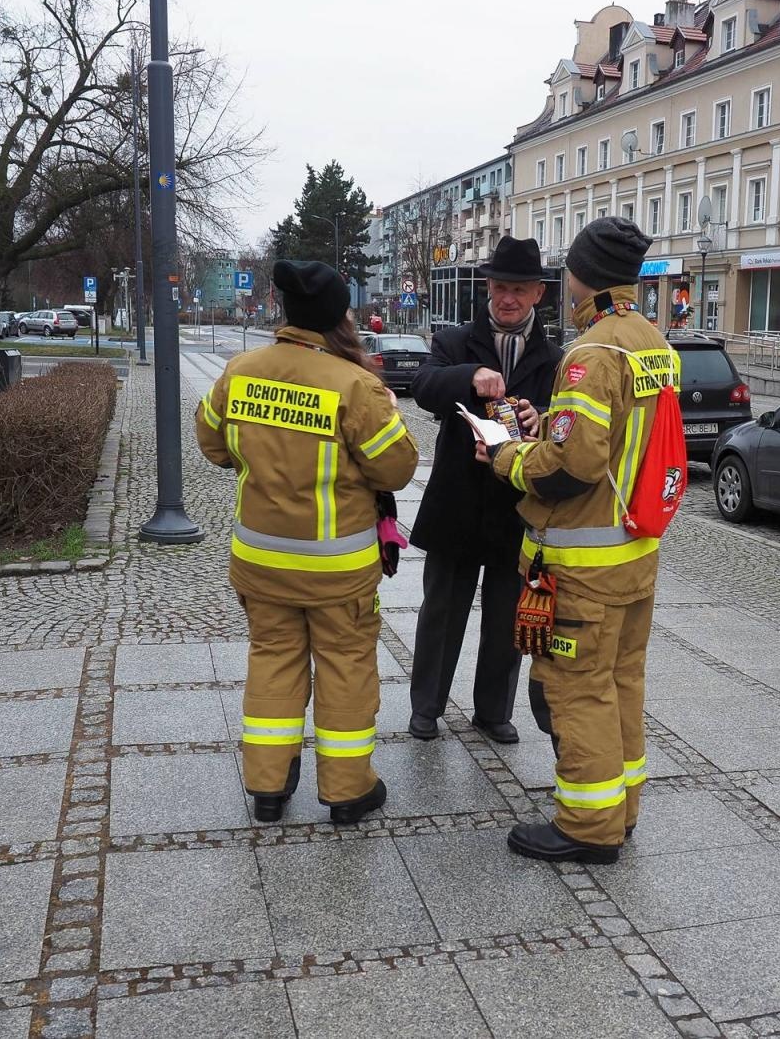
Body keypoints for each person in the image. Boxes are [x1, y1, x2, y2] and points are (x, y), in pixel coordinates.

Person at [194, 259, 419, 825]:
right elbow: (395, 470)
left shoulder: (238, 372)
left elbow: (212, 443)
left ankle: (267, 787)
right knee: (345, 665)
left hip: (260, 559)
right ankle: (347, 789)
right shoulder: (355, 386)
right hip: (337, 568)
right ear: (337, 318)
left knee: (273, 660)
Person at [480, 217, 671, 865]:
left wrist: (508, 457)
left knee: (578, 688)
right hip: (634, 555)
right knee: (623, 682)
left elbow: (573, 464)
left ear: (582, 277)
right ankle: (623, 807)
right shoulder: (653, 344)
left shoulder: (592, 353)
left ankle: (588, 826)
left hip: (585, 566)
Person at [407, 237, 562, 744]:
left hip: (515, 509)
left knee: (505, 622)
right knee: (441, 616)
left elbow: (564, 424)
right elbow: (425, 386)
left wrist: (539, 419)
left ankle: (492, 711)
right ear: (487, 287)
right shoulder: (455, 341)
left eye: (518, 289)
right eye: (499, 287)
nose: (507, 298)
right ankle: (426, 707)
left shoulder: (554, 356)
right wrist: (470, 375)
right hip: (457, 502)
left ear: (538, 293)